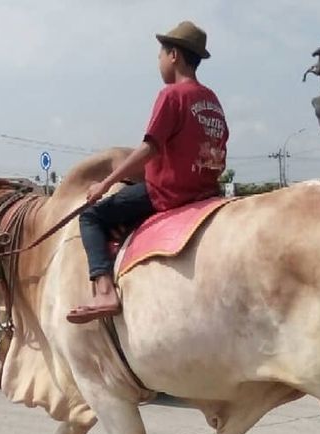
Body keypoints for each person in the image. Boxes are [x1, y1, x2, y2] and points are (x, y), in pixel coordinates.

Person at [66, 20, 229, 324]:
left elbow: (149, 148)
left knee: (91, 217)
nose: (158, 62)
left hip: (167, 195)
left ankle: (104, 290)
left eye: (160, 55)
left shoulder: (172, 95)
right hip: (206, 193)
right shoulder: (212, 102)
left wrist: (104, 184)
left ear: (174, 56)